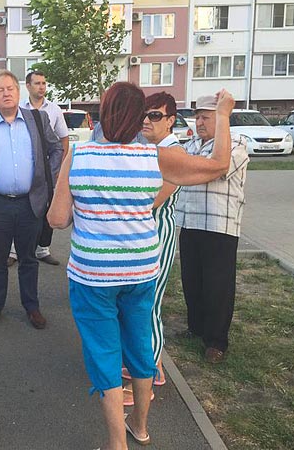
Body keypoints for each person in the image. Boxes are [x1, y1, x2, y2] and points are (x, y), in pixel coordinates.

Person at [48, 83, 235, 448]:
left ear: (103, 113)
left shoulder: (79, 154)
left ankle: (117, 444)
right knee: (139, 344)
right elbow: (218, 166)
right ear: (140, 118)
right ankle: (141, 426)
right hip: (141, 271)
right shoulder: (155, 156)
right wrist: (224, 116)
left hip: (92, 276)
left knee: (104, 353)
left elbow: (56, 219)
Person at [0, 69, 63, 330]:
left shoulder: (38, 119)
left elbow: (56, 148)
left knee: (28, 259)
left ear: (18, 93)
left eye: (10, 88)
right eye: (0, 90)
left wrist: (47, 177)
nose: (6, 93)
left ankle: (32, 307)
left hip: (30, 202)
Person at [176, 94, 249, 364]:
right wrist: (193, 169)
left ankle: (216, 342)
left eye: (206, 117)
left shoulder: (236, 143)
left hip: (220, 225)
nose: (199, 122)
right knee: (192, 280)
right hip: (190, 222)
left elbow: (217, 169)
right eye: (197, 117)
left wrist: (194, 169)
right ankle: (195, 327)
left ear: (222, 119)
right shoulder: (191, 145)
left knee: (218, 286)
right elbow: (181, 171)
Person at [122, 92, 182, 406]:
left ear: (171, 120)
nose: (146, 120)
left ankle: (147, 377)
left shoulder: (173, 153)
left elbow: (151, 200)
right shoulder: (151, 149)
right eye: (144, 114)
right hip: (144, 234)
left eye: (155, 115)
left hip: (157, 231)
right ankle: (149, 365)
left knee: (149, 303)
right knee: (140, 303)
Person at [8, 70, 69, 267]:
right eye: (37, 83)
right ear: (28, 86)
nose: (41, 87)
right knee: (20, 208)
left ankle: (43, 249)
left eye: (44, 83)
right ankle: (14, 251)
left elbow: (62, 140)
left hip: (47, 170)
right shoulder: (18, 108)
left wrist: (58, 169)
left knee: (45, 208)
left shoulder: (54, 109)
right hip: (23, 168)